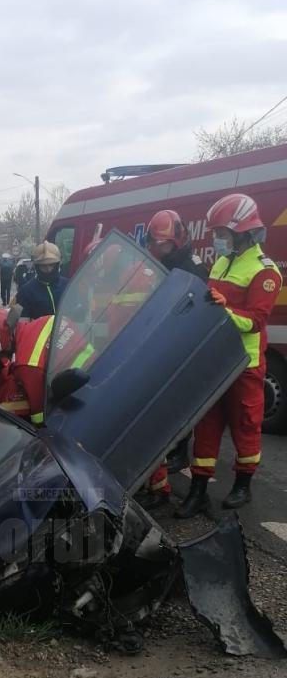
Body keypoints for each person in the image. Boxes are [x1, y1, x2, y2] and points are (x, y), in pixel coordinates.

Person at [175, 193, 282, 518]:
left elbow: (255, 321)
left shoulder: (266, 272)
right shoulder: (222, 262)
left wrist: (225, 309)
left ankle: (243, 486)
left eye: (223, 233)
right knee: (206, 425)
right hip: (214, 361)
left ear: (243, 233)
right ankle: (198, 491)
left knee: (245, 425)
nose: (218, 239)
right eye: (218, 233)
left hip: (244, 364)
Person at [143, 210, 211, 503]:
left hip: (183, 342)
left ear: (178, 241)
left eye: (165, 245)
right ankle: (174, 448)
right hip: (163, 340)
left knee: (179, 404)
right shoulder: (161, 264)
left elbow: (197, 309)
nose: (160, 250)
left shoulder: (192, 267)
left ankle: (180, 451)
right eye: (157, 244)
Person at [0, 307, 94, 427]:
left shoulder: (26, 366)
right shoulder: (47, 320)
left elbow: (40, 416)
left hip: (86, 394)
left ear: (0, 346)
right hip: (99, 362)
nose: (2, 358)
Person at [15, 241, 69, 320]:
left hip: (67, 331)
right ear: (37, 266)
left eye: (52, 265)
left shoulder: (68, 286)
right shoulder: (26, 291)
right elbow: (21, 324)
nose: (48, 269)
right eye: (43, 266)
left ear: (58, 264)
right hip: (37, 332)